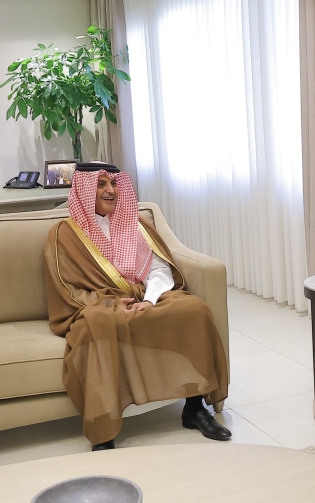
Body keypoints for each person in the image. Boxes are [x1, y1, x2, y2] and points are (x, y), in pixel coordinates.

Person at [44, 162, 231, 451]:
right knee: (97, 325)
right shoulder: (64, 234)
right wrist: (111, 304)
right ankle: (104, 430)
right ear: (83, 189)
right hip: (100, 304)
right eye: (101, 184)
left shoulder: (137, 224)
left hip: (146, 296)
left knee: (194, 310)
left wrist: (148, 301)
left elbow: (160, 269)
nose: (110, 190)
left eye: (114, 184)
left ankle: (194, 408)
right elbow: (66, 287)